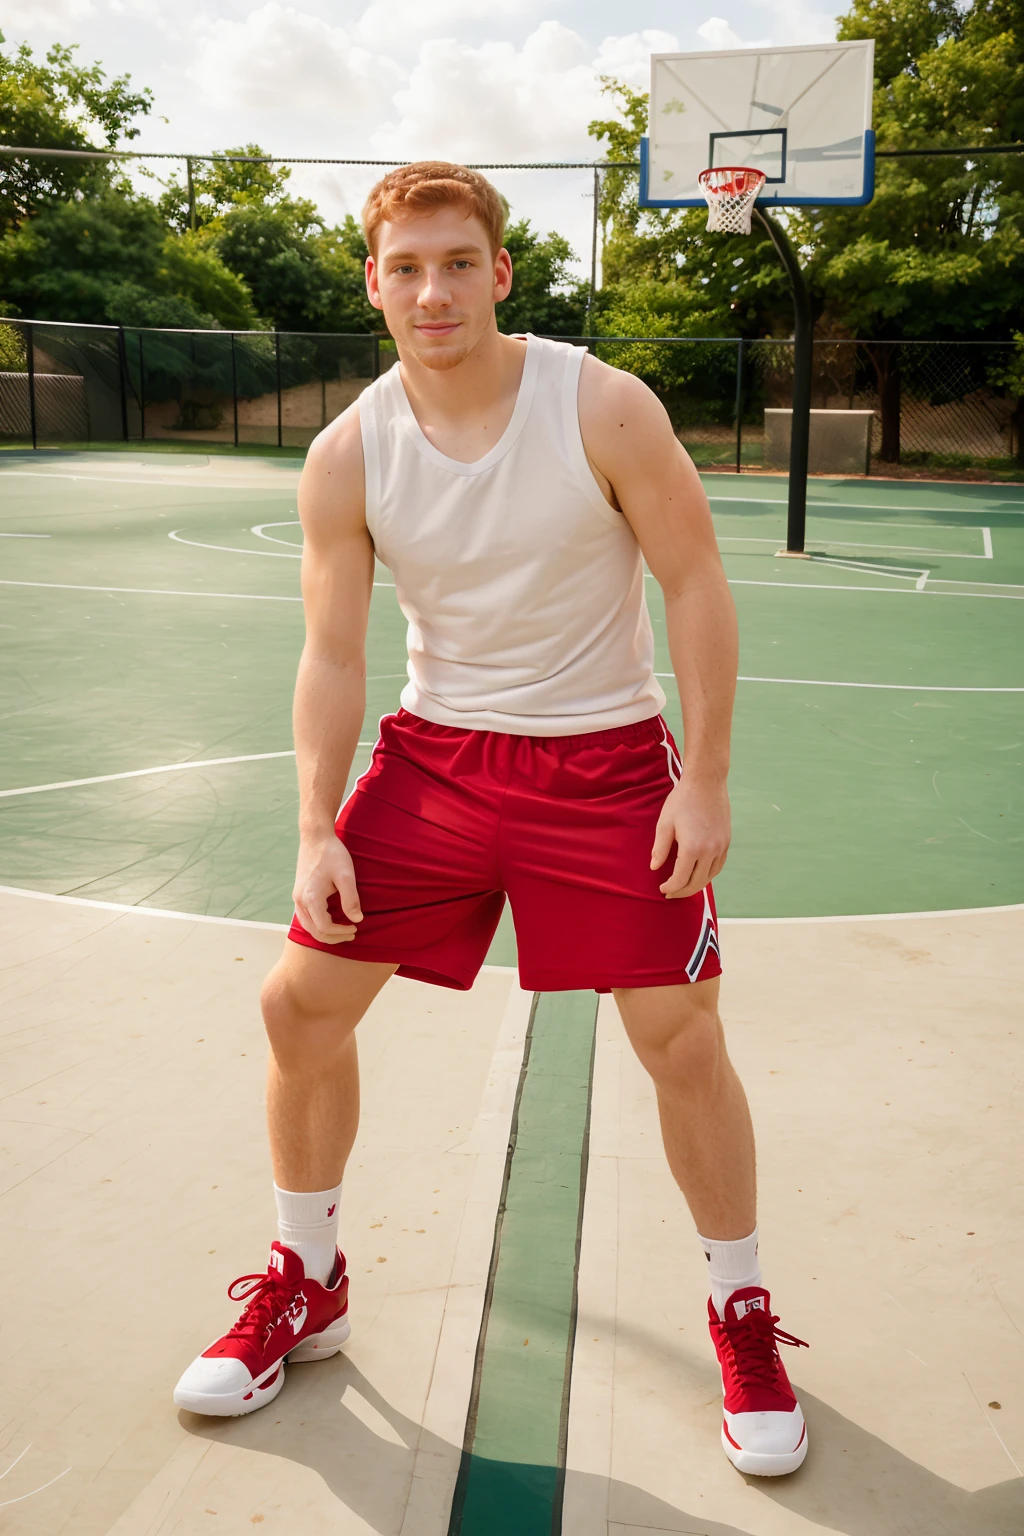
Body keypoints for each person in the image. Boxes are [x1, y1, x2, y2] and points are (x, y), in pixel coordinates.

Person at [174, 161, 808, 1476]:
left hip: (607, 765)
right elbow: (334, 654)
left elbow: (693, 579)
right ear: (373, 285)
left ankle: (741, 1306)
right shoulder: (349, 450)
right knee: (297, 1007)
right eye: (405, 267)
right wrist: (315, 823)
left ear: (501, 273)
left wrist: (708, 772)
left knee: (680, 1040)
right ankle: (309, 1277)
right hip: (438, 767)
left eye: (458, 261)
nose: (433, 289)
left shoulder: (602, 407)